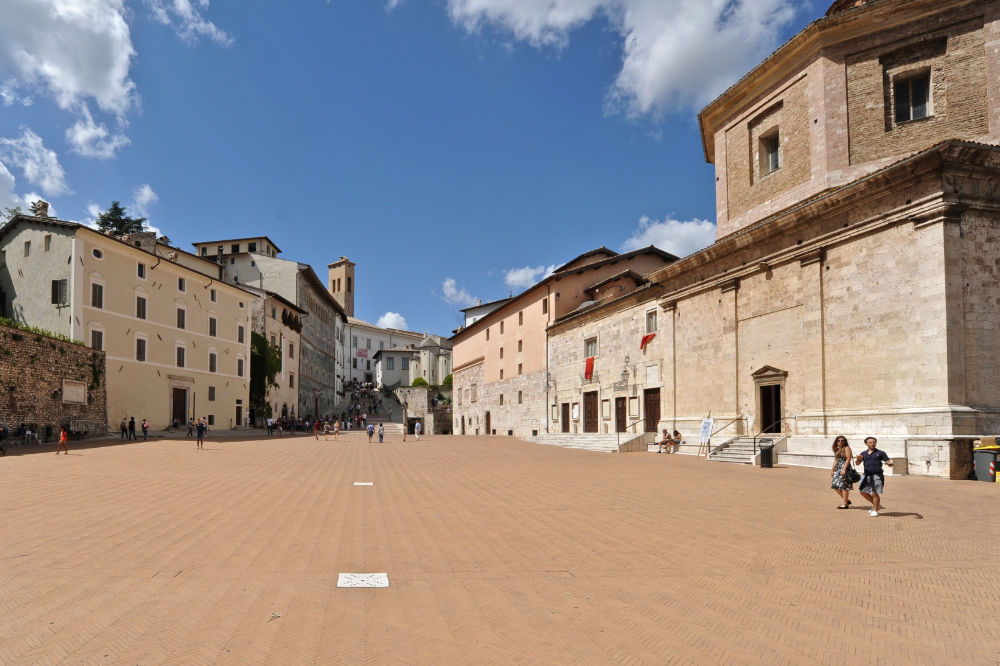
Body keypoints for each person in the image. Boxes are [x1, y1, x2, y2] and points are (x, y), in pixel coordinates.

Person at [856, 436, 893, 516]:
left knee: (874, 493)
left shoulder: (881, 453)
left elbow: (888, 462)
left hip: (877, 475)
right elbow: (857, 463)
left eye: (874, 442)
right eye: (870, 442)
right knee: (862, 492)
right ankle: (876, 505)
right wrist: (858, 459)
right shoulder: (863, 453)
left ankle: (875, 510)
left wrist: (890, 464)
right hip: (866, 475)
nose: (872, 443)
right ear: (866, 444)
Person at [830, 436, 854, 509]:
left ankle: (844, 504)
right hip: (838, 469)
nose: (840, 442)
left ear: (845, 441)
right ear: (836, 442)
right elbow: (836, 460)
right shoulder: (837, 449)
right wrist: (832, 470)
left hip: (845, 468)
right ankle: (846, 500)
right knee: (835, 485)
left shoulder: (847, 448)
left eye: (842, 440)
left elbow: (848, 459)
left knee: (844, 486)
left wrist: (844, 469)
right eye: (839, 440)